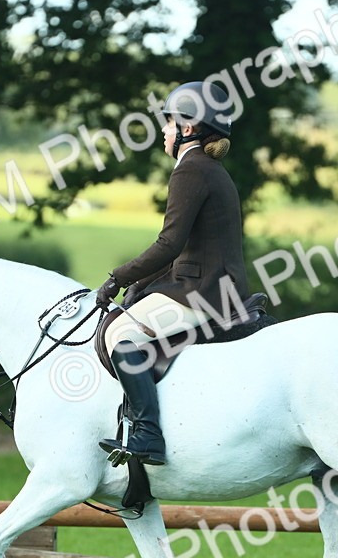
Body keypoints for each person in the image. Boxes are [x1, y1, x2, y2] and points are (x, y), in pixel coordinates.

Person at [95, 80, 251, 465]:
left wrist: (117, 278)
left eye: (168, 124)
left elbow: (169, 243)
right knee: (133, 312)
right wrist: (140, 285)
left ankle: (147, 432)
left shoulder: (191, 170)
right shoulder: (208, 168)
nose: (163, 132)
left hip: (205, 292)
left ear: (187, 129)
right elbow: (180, 249)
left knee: (120, 332)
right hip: (213, 285)